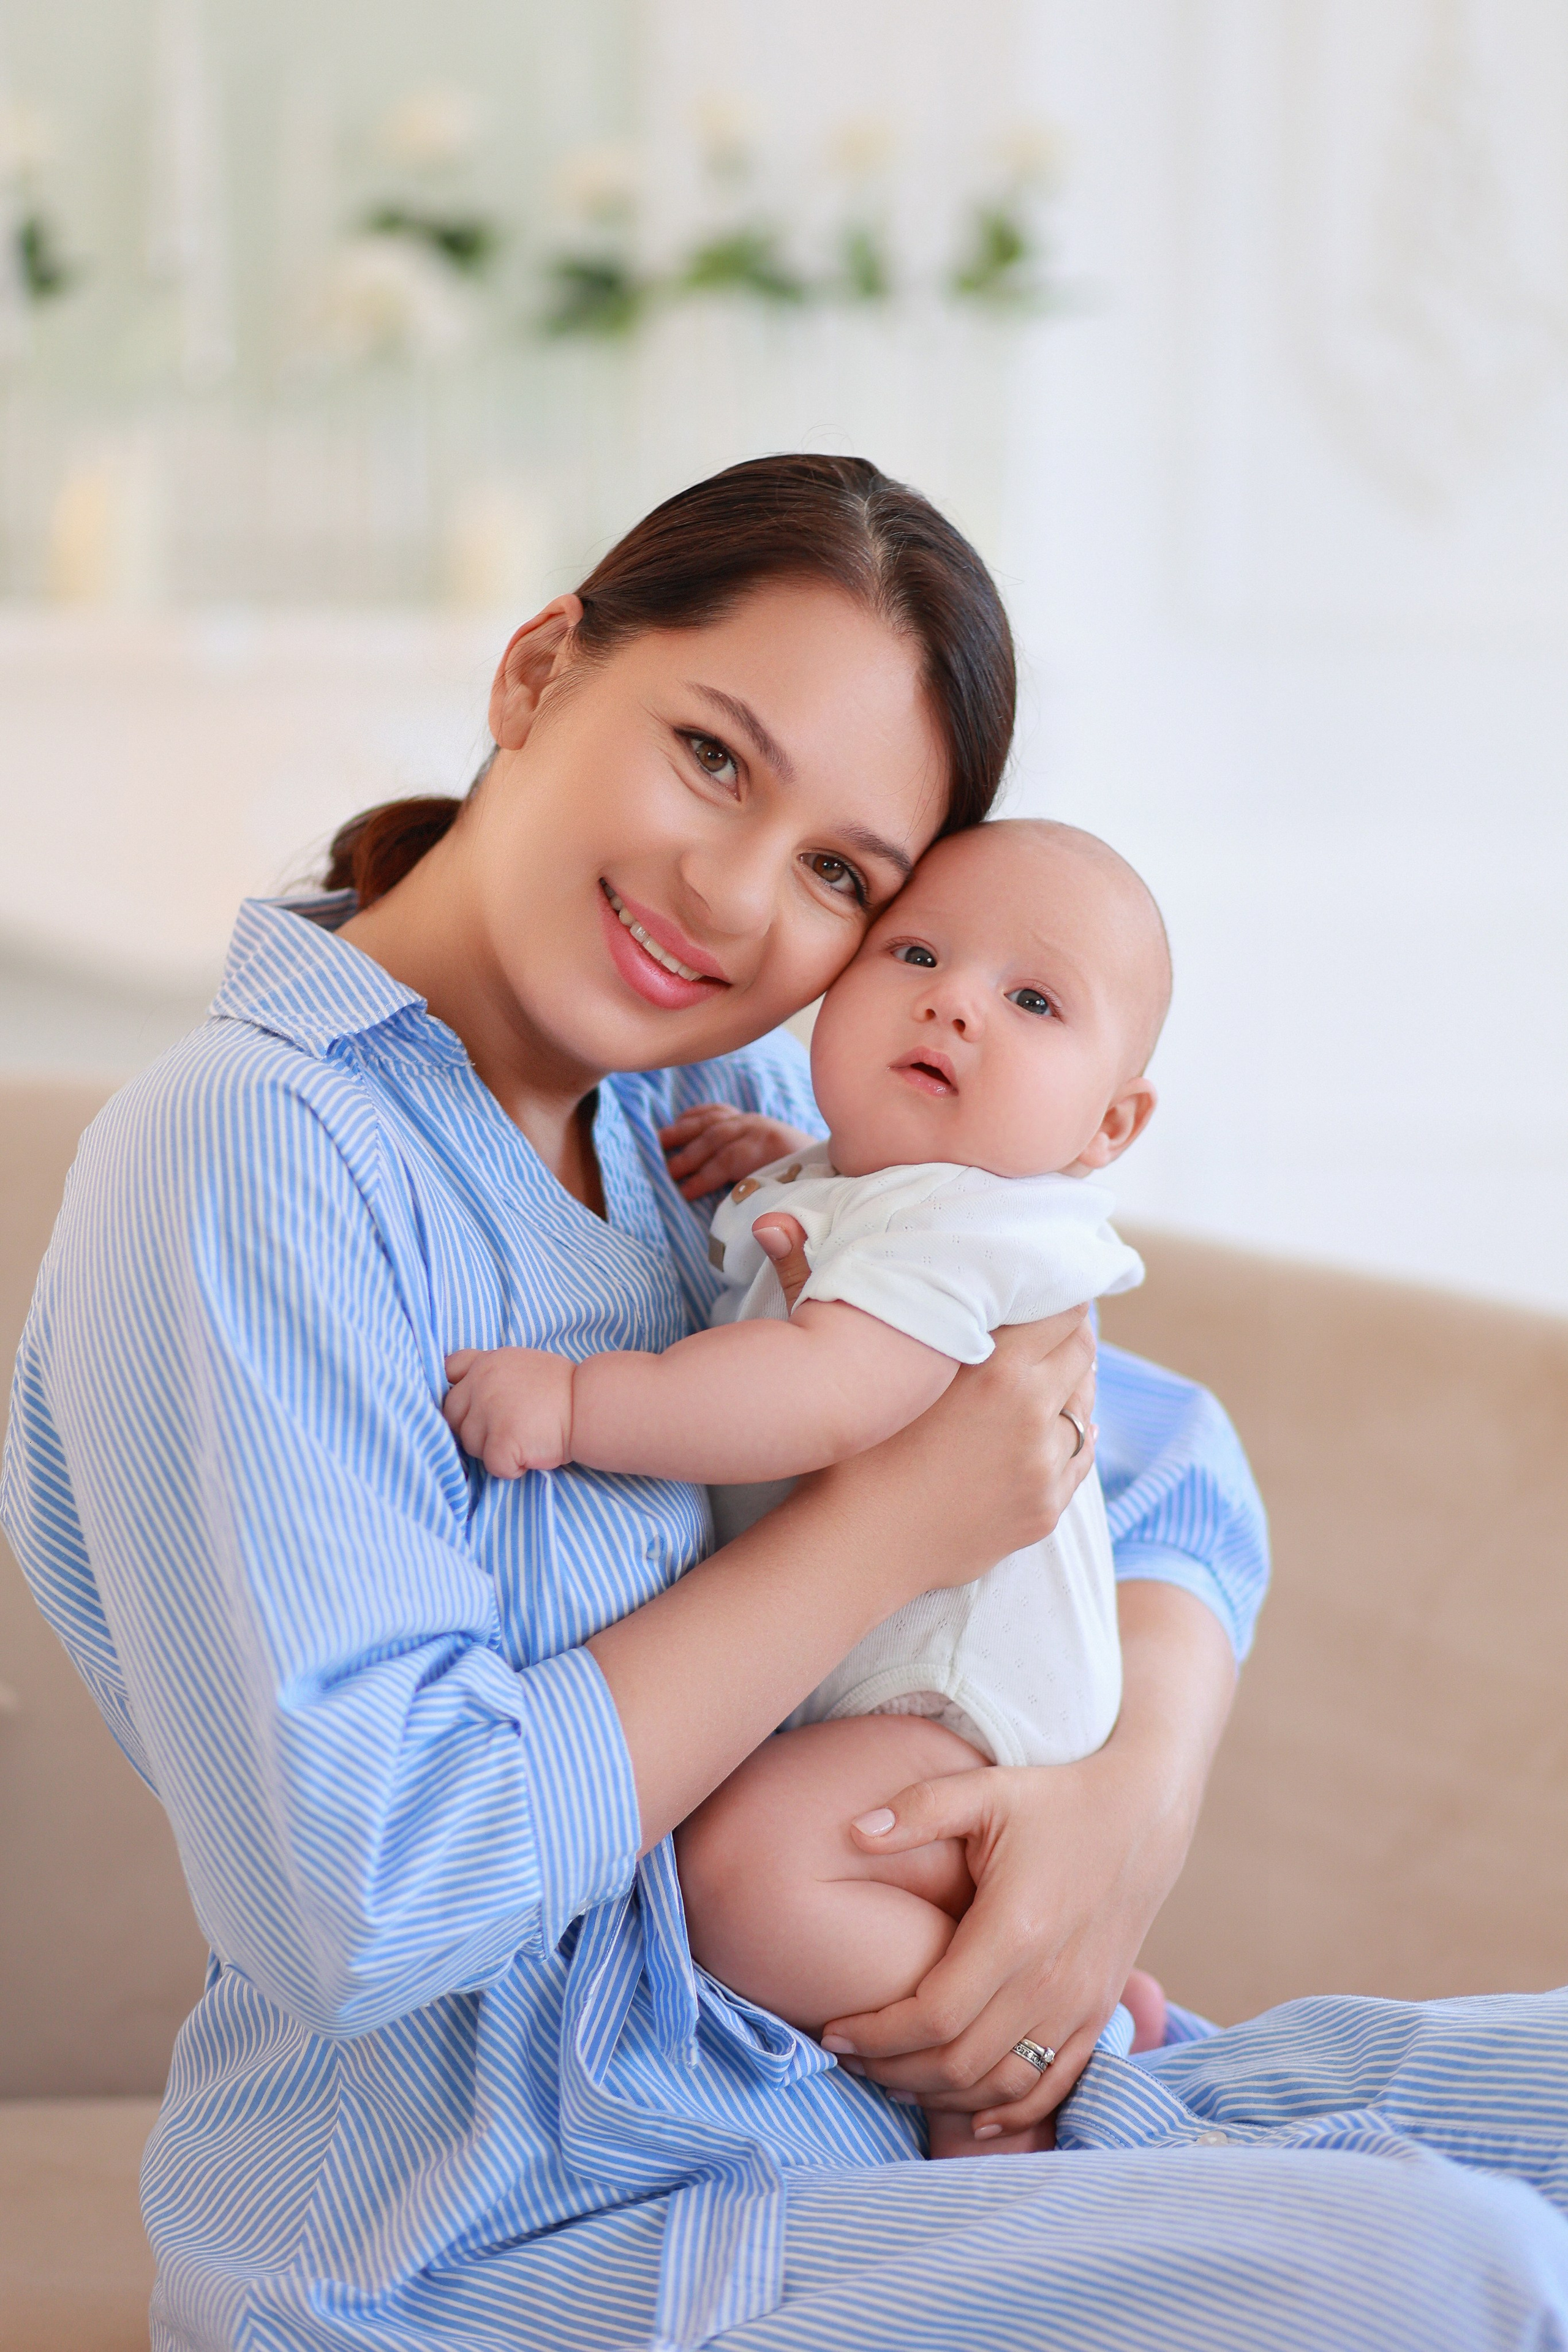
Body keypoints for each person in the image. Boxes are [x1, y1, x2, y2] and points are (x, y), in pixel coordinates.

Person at [1, 456, 1563, 2352]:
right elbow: (378, 1885)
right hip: (503, 2240)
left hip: (898, 2103)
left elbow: (1150, 1465)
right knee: (1458, 2278)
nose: (732, 899)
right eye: (713, 758)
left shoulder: (702, 1103)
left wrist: (1113, 1825)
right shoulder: (254, 1154)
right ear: (539, 671)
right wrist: (876, 1537)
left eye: (842, 875)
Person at [440, 816, 1170, 2155]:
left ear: (1105, 1125)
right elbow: (854, 1232)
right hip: (911, 1694)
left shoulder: (964, 1231)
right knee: (764, 1854)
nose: (952, 998)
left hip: (949, 1705)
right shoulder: (887, 1194)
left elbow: (820, 1386)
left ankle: (1021, 2075)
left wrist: (580, 1402)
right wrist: (782, 1159)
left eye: (1028, 999)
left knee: (748, 1872)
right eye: (915, 952)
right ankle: (1035, 1985)